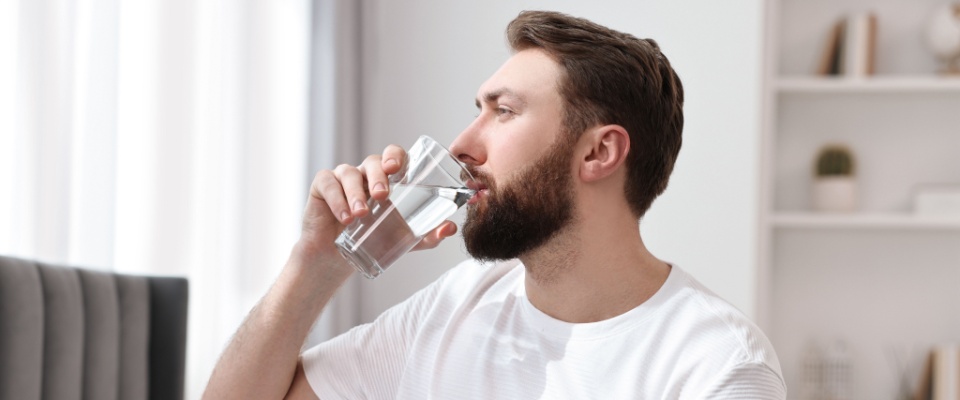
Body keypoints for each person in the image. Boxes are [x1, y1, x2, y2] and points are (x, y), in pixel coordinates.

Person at [203, 10, 786, 399]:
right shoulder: (456, 307)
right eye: (477, 108)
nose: (460, 144)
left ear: (599, 152)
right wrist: (314, 264)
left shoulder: (716, 367)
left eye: (502, 111)